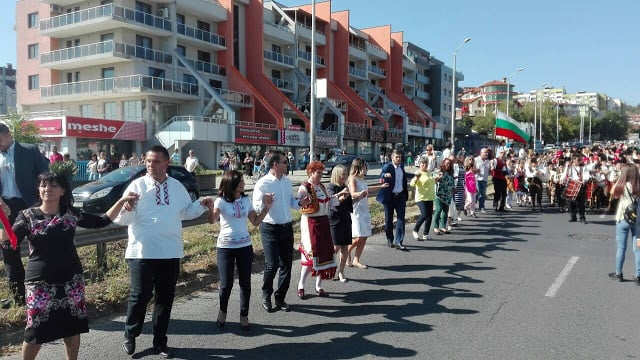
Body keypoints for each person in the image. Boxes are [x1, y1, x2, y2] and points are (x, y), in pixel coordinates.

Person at [9, 172, 137, 360]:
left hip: (71, 280)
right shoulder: (27, 216)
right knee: (35, 330)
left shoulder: (71, 213)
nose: (48, 189)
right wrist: (3, 220)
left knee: (71, 326)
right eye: (44, 185)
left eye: (53, 186)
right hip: (39, 283)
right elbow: (9, 245)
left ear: (62, 190)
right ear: (38, 188)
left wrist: (121, 201)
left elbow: (101, 221)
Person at [114, 146, 212, 357]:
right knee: (140, 295)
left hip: (170, 251)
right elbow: (121, 219)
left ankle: (160, 342)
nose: (150, 165)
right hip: (141, 251)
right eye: (148, 161)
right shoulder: (136, 186)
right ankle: (130, 334)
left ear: (166, 163)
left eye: (156, 161)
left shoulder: (176, 187)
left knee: (165, 298)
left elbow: (186, 211)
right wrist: (127, 209)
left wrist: (201, 205)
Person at [207, 170, 273, 331]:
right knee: (226, 284)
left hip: (244, 247)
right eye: (240, 182)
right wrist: (210, 208)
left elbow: (255, 222)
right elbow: (211, 221)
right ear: (232, 184)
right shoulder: (221, 201)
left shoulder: (245, 200)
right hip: (225, 248)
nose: (243, 184)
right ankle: (222, 312)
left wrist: (266, 208)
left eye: (243, 181)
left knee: (245, 283)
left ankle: (244, 315)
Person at [0, 122, 50, 306]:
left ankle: (41, 292)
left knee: (38, 246)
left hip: (29, 206)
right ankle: (19, 298)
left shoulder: (29, 151)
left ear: (7, 135)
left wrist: (42, 203)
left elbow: (45, 177)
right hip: (5, 208)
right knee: (8, 248)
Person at [252, 150, 300, 313]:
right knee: (272, 265)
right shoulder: (263, 183)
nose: (288, 164)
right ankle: (266, 294)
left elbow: (291, 202)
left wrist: (302, 202)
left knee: (287, 264)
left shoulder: (287, 182)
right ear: (275, 164)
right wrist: (266, 203)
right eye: (285, 162)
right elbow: (256, 207)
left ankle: (280, 298)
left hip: (286, 227)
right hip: (270, 228)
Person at [296, 161, 338, 299]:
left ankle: (318, 286)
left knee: (324, 254)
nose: (320, 175)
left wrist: (340, 196)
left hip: (324, 222)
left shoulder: (322, 186)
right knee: (311, 255)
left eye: (321, 172)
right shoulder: (304, 187)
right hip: (311, 223)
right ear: (310, 172)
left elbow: (328, 202)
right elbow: (300, 204)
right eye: (318, 173)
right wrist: (304, 200)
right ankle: (301, 285)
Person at [608, 163, 640, 283]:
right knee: (638, 248)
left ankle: (619, 273)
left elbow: (612, 194)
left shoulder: (623, 185)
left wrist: (619, 180)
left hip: (623, 219)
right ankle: (638, 276)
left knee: (621, 247)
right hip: (638, 222)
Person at [376, 149, 408, 250]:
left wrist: (416, 175)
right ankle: (390, 239)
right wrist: (385, 175)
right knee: (389, 220)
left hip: (400, 196)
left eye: (400, 157)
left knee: (401, 219)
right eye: (396, 157)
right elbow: (382, 174)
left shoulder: (402, 166)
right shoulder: (388, 166)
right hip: (390, 197)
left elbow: (404, 176)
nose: (399, 159)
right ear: (392, 157)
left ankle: (399, 241)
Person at [325, 165, 352, 283]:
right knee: (336, 247)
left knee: (345, 247)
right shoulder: (331, 186)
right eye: (343, 174)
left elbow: (349, 202)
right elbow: (331, 200)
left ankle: (341, 271)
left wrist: (358, 197)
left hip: (345, 217)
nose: (345, 176)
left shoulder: (345, 186)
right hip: (335, 219)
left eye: (346, 174)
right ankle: (328, 268)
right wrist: (342, 193)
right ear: (337, 175)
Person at [348, 158, 371, 268]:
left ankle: (356, 260)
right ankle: (347, 251)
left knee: (364, 236)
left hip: (364, 209)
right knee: (358, 237)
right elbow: (352, 193)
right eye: (364, 166)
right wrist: (360, 194)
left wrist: (381, 187)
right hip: (356, 210)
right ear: (359, 167)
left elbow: (367, 190)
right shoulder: (353, 178)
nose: (366, 168)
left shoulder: (362, 179)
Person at [409, 156, 436, 241]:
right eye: (422, 163)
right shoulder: (418, 173)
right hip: (421, 198)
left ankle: (425, 234)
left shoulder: (428, 172)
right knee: (424, 215)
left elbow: (431, 182)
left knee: (429, 217)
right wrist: (416, 178)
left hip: (430, 197)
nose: (424, 165)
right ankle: (415, 230)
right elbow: (412, 184)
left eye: (425, 163)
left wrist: (436, 179)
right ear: (419, 164)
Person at [563, 155, 590, 223]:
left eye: (579, 160)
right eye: (577, 160)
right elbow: (566, 175)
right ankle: (573, 216)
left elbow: (587, 175)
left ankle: (582, 217)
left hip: (580, 186)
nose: (578, 162)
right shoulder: (570, 168)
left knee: (581, 203)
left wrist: (584, 180)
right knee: (571, 203)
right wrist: (567, 167)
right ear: (573, 160)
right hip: (572, 185)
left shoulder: (583, 168)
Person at [432, 158, 455, 235]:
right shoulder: (439, 171)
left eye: (449, 164)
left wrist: (454, 189)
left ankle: (443, 226)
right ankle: (435, 227)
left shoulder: (451, 173)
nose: (447, 165)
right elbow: (434, 180)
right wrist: (437, 178)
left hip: (448, 195)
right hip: (439, 194)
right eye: (446, 163)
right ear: (443, 163)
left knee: (445, 211)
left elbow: (452, 182)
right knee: (438, 210)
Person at [474, 147, 491, 212]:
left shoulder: (488, 161)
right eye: (485, 152)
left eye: (487, 152)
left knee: (483, 193)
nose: (487, 153)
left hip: (484, 179)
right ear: (481, 153)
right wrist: (475, 170)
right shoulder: (475, 160)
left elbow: (489, 170)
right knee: (477, 192)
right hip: (477, 178)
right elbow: (471, 169)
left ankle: (481, 207)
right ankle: (473, 205)